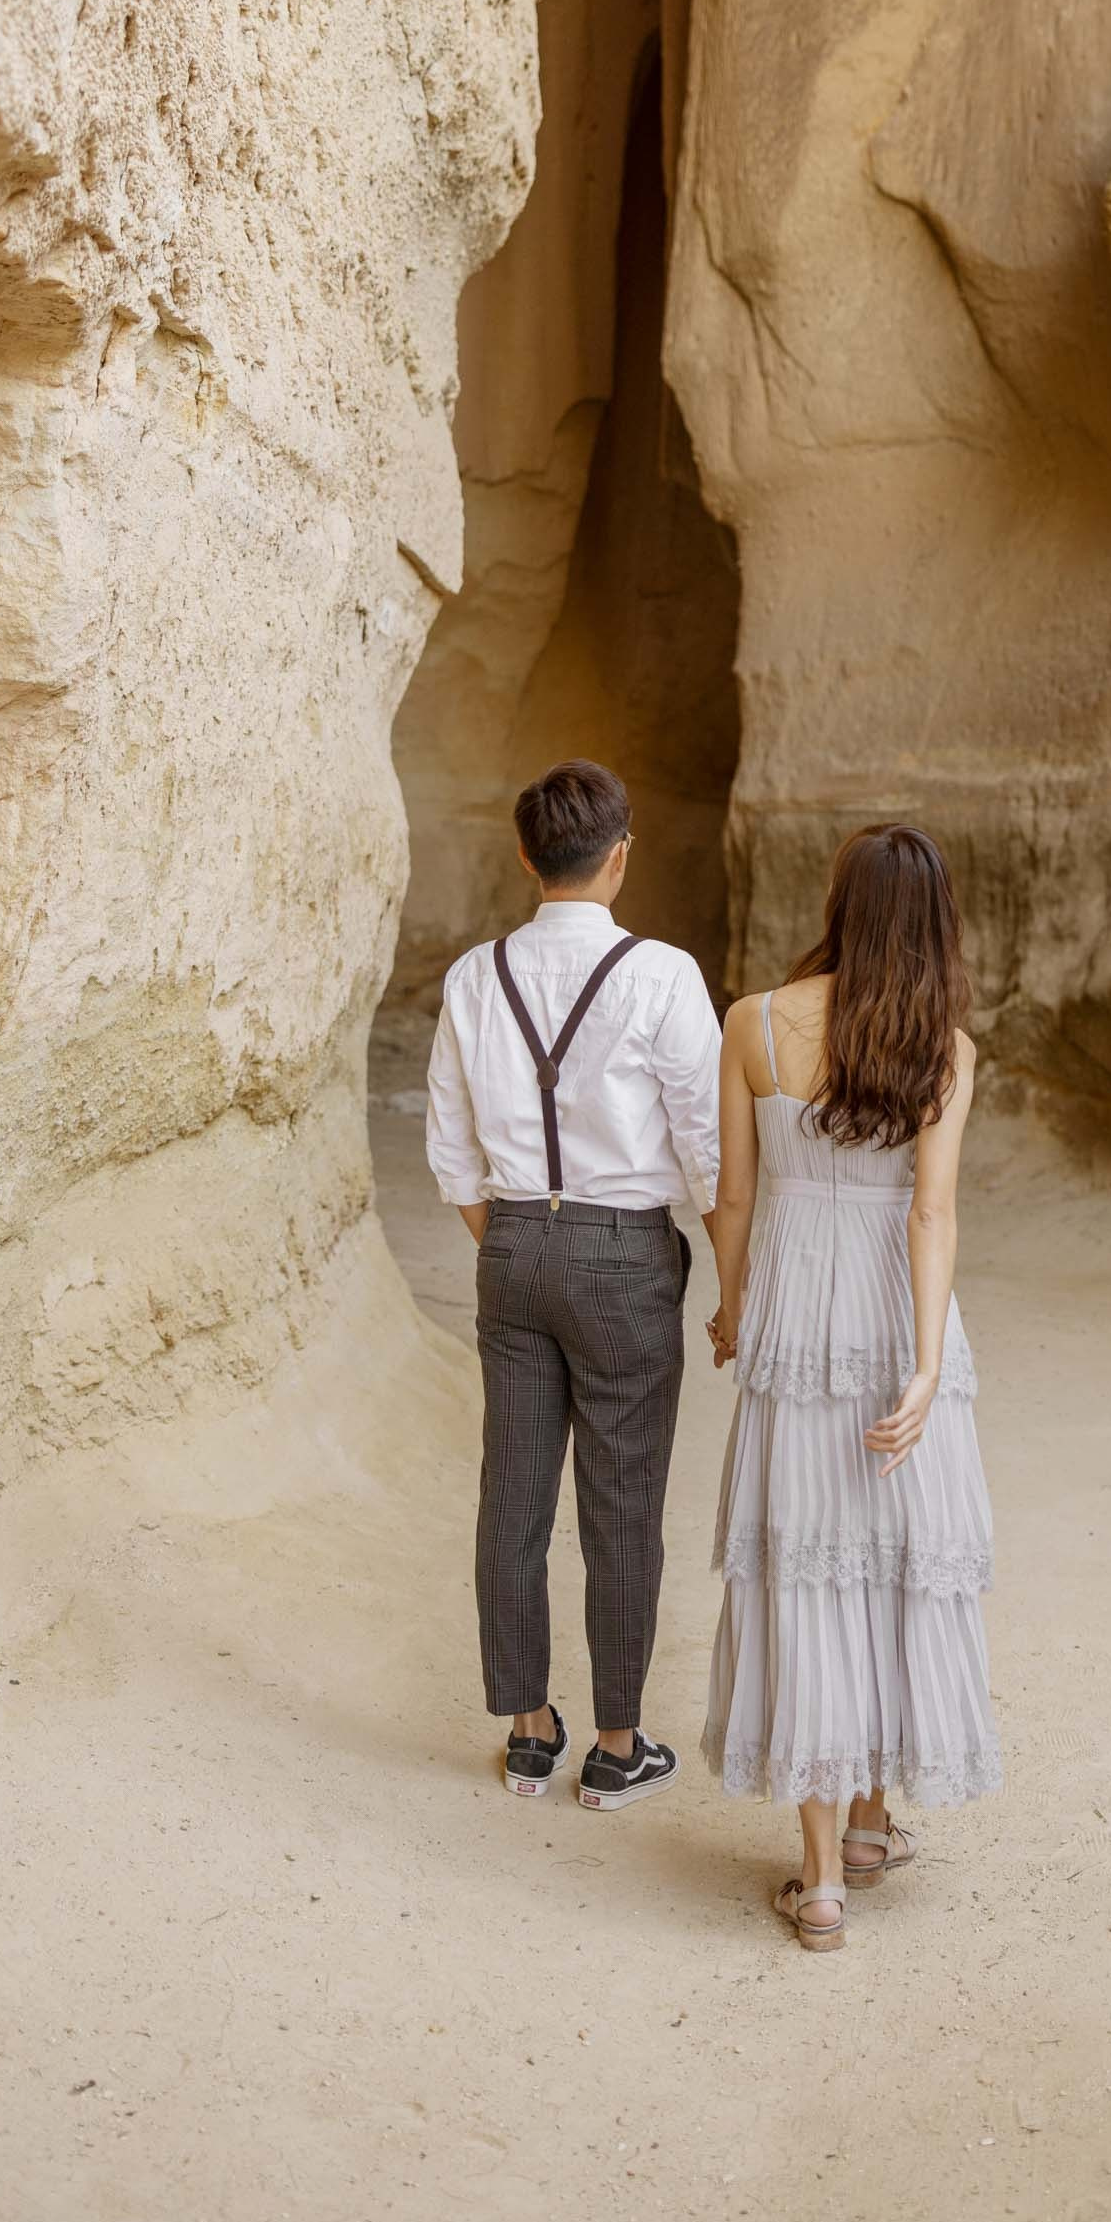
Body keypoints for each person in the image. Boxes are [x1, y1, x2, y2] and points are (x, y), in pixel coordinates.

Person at [701, 823, 1001, 1949]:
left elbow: (730, 1195)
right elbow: (932, 1212)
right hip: (896, 1315)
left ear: (840, 904)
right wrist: (925, 1364)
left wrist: (737, 1308)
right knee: (891, 1564)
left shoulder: (754, 1025)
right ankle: (874, 1823)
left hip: (797, 1320)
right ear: (933, 923)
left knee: (804, 1572)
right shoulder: (947, 1049)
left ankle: (825, 1874)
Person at [426, 758, 721, 1811]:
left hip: (508, 1246)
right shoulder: (664, 975)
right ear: (621, 856)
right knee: (623, 1503)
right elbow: (708, 1150)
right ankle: (617, 1744)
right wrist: (731, 1276)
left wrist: (514, 1237)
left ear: (524, 856)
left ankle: (528, 1731)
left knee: (513, 1495)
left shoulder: (473, 977)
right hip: (624, 1254)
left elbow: (453, 1152)